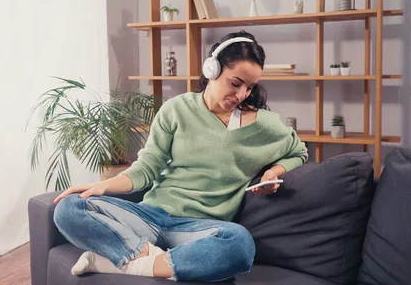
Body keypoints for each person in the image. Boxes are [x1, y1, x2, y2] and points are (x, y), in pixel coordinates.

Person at [52, 30, 309, 282]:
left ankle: (124, 262)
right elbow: (146, 168)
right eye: (235, 83)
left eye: (249, 87)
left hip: (199, 229)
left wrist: (275, 172)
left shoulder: (266, 126)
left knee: (240, 244)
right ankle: (155, 260)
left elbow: (298, 151)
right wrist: (102, 186)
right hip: (149, 215)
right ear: (212, 70)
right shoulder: (177, 108)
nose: (241, 94)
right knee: (69, 208)